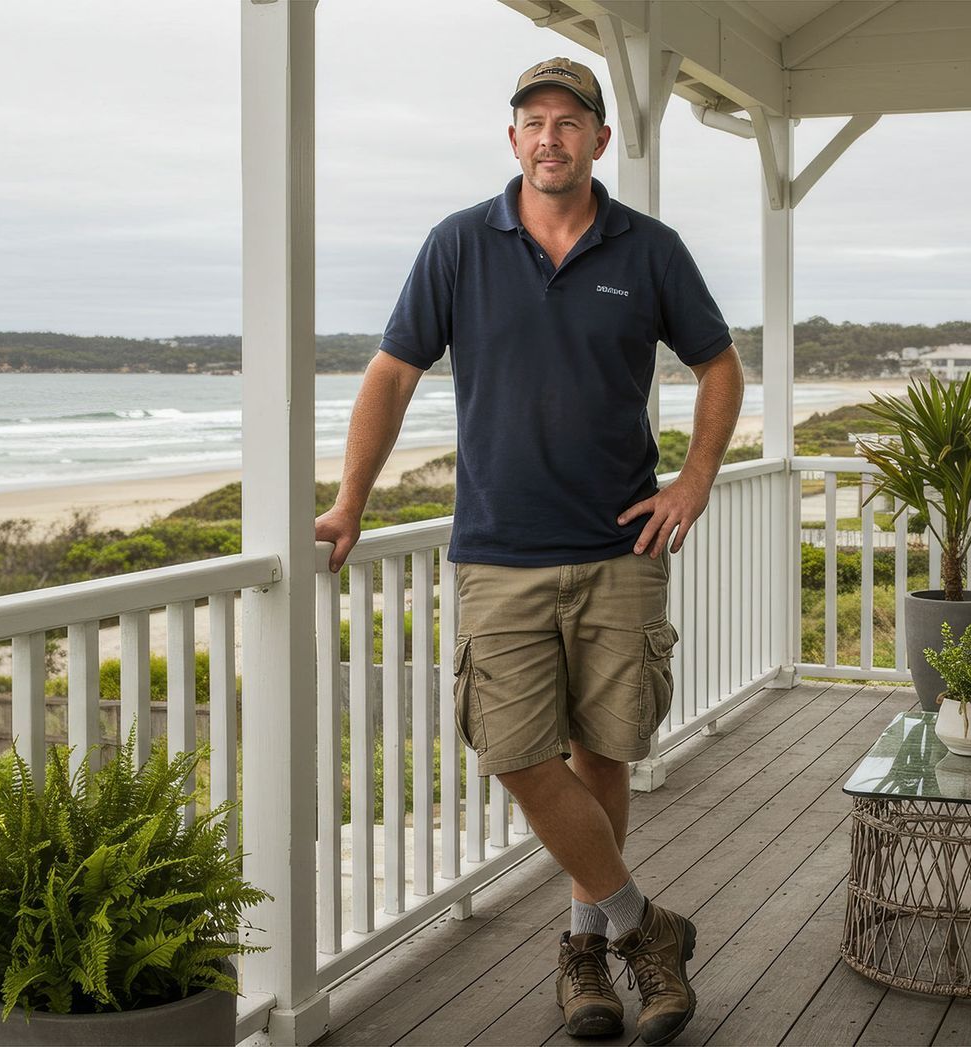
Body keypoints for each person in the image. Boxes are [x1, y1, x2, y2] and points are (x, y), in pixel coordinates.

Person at [313, 55, 744, 1046]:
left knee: (605, 751)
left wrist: (694, 479)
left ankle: (586, 954)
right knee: (512, 752)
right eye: (532, 121)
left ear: (600, 137)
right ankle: (651, 927)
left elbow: (719, 365)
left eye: (569, 120)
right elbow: (390, 375)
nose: (550, 136)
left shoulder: (650, 250)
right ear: (513, 140)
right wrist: (349, 503)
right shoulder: (460, 245)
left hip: (620, 548)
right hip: (498, 551)